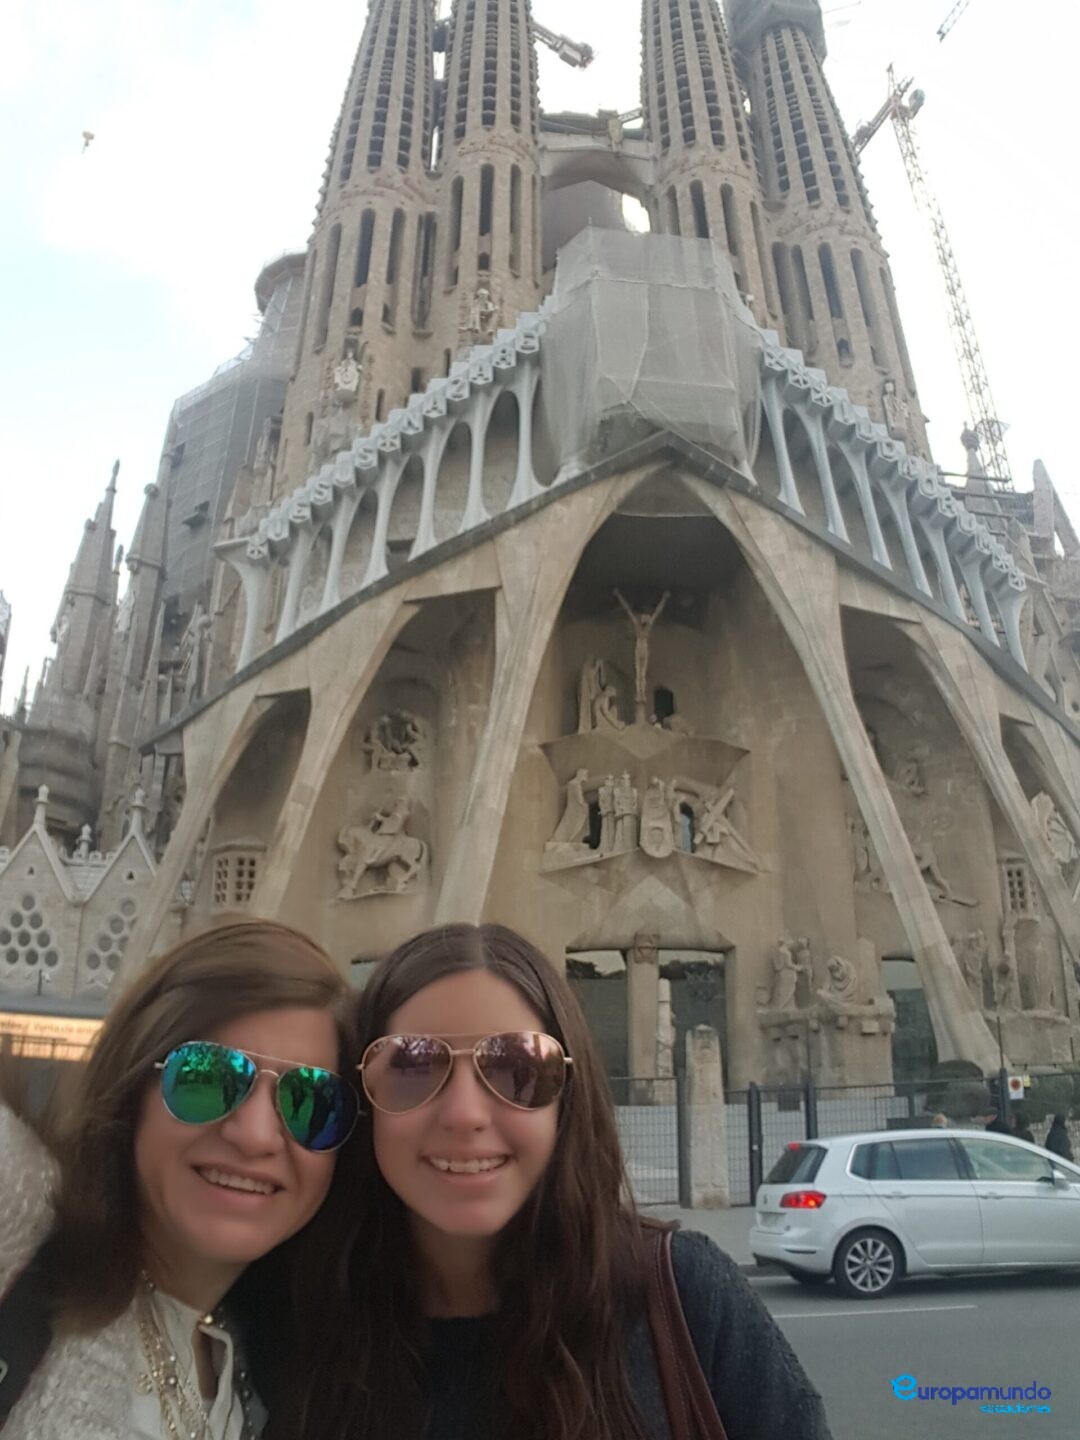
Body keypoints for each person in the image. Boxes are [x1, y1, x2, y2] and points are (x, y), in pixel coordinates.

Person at [270, 923, 832, 1440]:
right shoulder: (294, 1314)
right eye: (412, 1065)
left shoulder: (684, 1295)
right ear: (360, 1097)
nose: (465, 1114)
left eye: (518, 1067)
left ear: (568, 1097)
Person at [0, 919, 359, 1439]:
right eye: (206, 1078)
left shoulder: (260, 1376)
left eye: (310, 1100)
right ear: (133, 1087)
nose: (256, 1135)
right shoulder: (21, 1218)